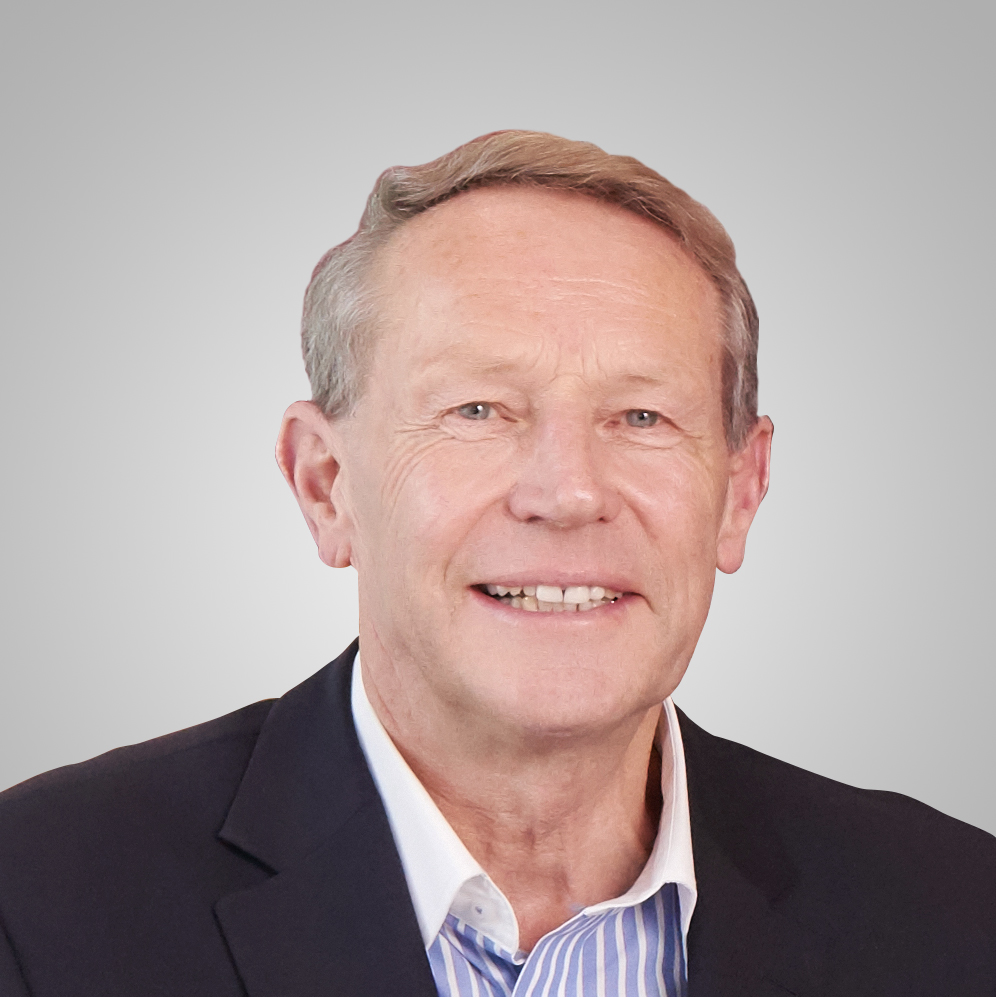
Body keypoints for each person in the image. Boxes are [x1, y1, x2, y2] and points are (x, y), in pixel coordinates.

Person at [0, 131, 992, 997]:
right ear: (325, 485)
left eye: (641, 416)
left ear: (739, 492)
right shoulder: (40, 901)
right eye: (477, 410)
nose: (568, 493)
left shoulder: (953, 911)